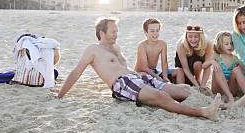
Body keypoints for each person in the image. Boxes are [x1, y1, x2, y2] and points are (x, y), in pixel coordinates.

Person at [57, 17, 220, 120]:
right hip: (123, 83)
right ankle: (203, 112)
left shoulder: (117, 48)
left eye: (117, 31)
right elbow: (76, 72)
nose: (116, 34)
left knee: (182, 91)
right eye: (113, 31)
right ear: (102, 32)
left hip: (138, 77)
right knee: (161, 97)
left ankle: (222, 106)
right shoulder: (93, 49)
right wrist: (59, 95)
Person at [203, 31, 245, 109]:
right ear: (220, 44)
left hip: (232, 89)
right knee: (217, 68)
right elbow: (204, 66)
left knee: (236, 70)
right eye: (226, 44)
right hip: (218, 90)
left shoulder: (235, 58)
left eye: (231, 43)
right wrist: (212, 62)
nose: (230, 46)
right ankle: (230, 98)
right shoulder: (217, 56)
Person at [172, 24, 214, 90]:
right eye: (190, 37)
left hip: (197, 63)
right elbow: (185, 68)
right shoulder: (181, 45)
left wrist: (202, 86)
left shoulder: (208, 43)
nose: (193, 39)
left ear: (201, 37)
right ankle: (192, 83)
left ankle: (197, 80)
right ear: (186, 37)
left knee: (198, 64)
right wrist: (196, 86)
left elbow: (208, 67)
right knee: (182, 82)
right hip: (183, 68)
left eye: (196, 37)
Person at [134, 18, 172, 82]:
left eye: (157, 30)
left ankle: (181, 88)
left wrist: (165, 77)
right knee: (145, 75)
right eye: (152, 31)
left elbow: (164, 62)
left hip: (154, 71)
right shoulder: (142, 46)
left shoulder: (162, 44)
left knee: (179, 71)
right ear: (146, 32)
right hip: (142, 72)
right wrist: (157, 77)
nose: (155, 33)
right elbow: (144, 67)